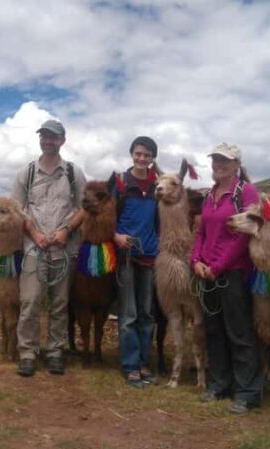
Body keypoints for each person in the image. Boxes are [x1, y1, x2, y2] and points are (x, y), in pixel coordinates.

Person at [191, 143, 264, 415]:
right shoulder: (211, 194)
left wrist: (218, 266)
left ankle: (247, 392)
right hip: (207, 272)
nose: (218, 164)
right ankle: (220, 384)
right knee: (214, 330)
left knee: (239, 331)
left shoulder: (245, 192)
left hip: (232, 273)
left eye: (225, 160)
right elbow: (202, 232)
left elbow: (245, 234)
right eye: (216, 160)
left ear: (236, 164)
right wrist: (195, 260)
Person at [12, 119, 86, 377]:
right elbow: (17, 210)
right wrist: (34, 233)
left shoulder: (73, 173)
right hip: (34, 249)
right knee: (30, 301)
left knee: (60, 303)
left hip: (64, 249)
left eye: (53, 137)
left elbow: (83, 207)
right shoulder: (26, 173)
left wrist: (66, 231)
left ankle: (55, 351)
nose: (47, 140)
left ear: (62, 140)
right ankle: (28, 353)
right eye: (43, 136)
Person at [113, 136, 160, 388]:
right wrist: (116, 236)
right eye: (138, 153)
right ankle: (131, 366)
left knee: (147, 313)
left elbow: (160, 222)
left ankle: (144, 362)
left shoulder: (157, 187)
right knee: (129, 314)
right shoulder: (120, 183)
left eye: (147, 155)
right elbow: (107, 216)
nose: (142, 158)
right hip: (127, 256)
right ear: (132, 154)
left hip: (150, 256)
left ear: (153, 158)